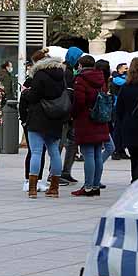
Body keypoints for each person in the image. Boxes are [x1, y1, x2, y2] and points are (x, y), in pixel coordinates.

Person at [23, 48, 70, 198]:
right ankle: (54, 188)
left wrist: (26, 93)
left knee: (36, 152)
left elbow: (34, 96)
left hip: (38, 117)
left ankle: (32, 188)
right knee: (54, 152)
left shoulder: (40, 75)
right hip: (55, 117)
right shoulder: (61, 75)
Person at [70, 55, 111, 197]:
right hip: (100, 118)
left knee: (87, 154)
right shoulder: (100, 78)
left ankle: (87, 187)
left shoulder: (80, 79)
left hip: (85, 120)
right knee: (97, 155)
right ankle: (95, 185)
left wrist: (73, 114)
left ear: (81, 66)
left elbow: (79, 101)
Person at [59, 47, 84, 185]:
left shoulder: (70, 71)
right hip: (66, 113)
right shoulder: (67, 73)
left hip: (68, 113)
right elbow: (69, 94)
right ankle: (55, 173)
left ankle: (65, 172)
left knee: (71, 142)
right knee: (62, 143)